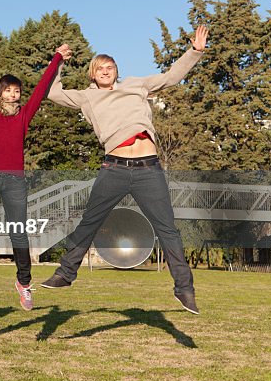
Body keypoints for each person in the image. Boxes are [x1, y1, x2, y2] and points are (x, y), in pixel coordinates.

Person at [40, 26, 209, 315]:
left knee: (167, 228)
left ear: (117, 71)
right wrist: (59, 61)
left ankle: (185, 289)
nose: (106, 71)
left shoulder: (136, 84)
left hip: (149, 169)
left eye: (110, 66)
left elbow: (171, 77)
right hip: (114, 168)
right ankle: (66, 274)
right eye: (100, 68)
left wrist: (195, 51)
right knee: (89, 223)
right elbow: (52, 93)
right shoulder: (86, 97)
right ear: (92, 74)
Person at [0, 38, 69, 310]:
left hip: (14, 180)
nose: (13, 94)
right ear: (0, 93)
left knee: (19, 233)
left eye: (17, 91)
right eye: (8, 91)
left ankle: (24, 284)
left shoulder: (24, 115)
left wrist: (56, 58)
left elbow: (41, 88)